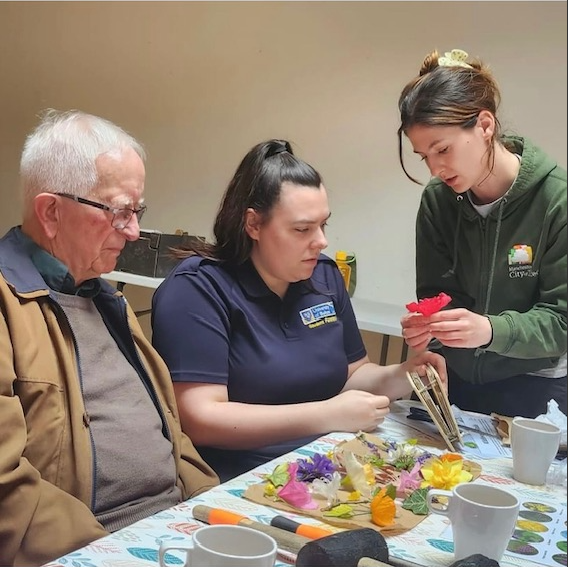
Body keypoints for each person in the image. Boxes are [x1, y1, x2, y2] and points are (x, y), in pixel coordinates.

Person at [151, 139, 448, 482]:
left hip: (327, 464)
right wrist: (327, 415)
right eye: (302, 229)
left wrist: (404, 374)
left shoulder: (323, 276)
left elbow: (353, 375)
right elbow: (200, 420)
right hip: (240, 476)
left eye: (324, 225)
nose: (321, 241)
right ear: (254, 225)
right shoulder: (198, 288)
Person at [0, 109, 218, 567]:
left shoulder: (106, 299)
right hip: (93, 549)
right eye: (119, 212)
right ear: (51, 211)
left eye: (137, 212)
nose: (134, 231)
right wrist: (113, 553)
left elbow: (173, 439)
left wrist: (213, 515)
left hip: (173, 533)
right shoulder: (8, 305)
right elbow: (6, 487)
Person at [397, 48, 567, 419]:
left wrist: (491, 330)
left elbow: (561, 322)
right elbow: (435, 296)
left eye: (443, 149)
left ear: (486, 126)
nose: (435, 168)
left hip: (535, 387)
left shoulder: (557, 200)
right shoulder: (438, 201)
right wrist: (428, 327)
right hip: (454, 380)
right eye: (424, 155)